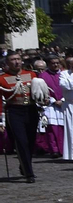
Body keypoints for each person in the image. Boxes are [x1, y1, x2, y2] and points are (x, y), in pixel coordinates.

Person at [1, 52, 40, 183]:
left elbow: (39, 92)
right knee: (21, 141)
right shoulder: (2, 79)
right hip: (14, 111)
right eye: (13, 60)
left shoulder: (32, 74)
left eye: (18, 59)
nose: (16, 62)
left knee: (30, 141)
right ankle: (29, 173)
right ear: (7, 63)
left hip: (31, 109)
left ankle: (24, 164)